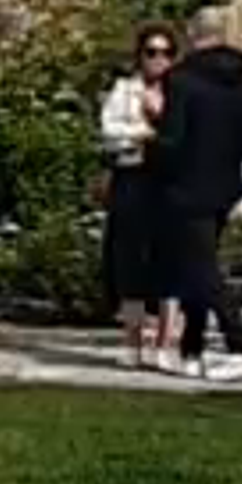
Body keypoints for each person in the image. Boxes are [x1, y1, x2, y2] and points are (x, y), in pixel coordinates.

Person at [146, 0, 242, 374]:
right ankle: (192, 348)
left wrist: (150, 145)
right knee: (195, 263)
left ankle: (241, 345)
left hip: (187, 185)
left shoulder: (181, 79)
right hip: (225, 182)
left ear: (192, 35)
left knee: (201, 267)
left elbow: (173, 139)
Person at [97, 18, 176, 359]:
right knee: (129, 258)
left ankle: (164, 341)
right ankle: (133, 341)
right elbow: (109, 130)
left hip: (166, 181)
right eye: (151, 52)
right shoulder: (124, 89)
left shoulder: (180, 92)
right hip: (131, 175)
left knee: (169, 259)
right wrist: (141, 132)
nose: (158, 59)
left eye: (165, 53)